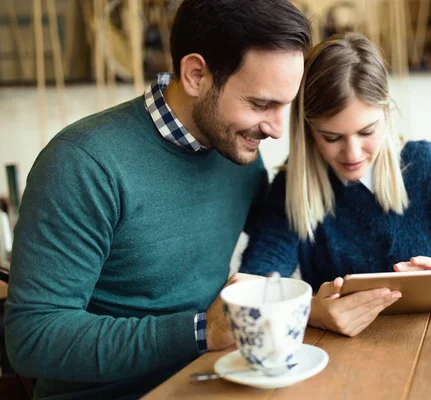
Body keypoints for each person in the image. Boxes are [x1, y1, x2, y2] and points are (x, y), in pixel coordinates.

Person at [4, 1, 310, 398]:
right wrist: (202, 332)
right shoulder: (83, 163)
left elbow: (276, 226)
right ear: (197, 74)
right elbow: (33, 338)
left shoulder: (235, 146)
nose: (276, 128)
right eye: (260, 104)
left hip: (215, 382)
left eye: (285, 104)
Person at [240, 33, 431, 338]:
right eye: (332, 137)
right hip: (348, 363)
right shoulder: (292, 187)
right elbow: (254, 286)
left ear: (386, 115)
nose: (352, 154)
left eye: (367, 131)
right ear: (309, 132)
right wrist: (313, 311)